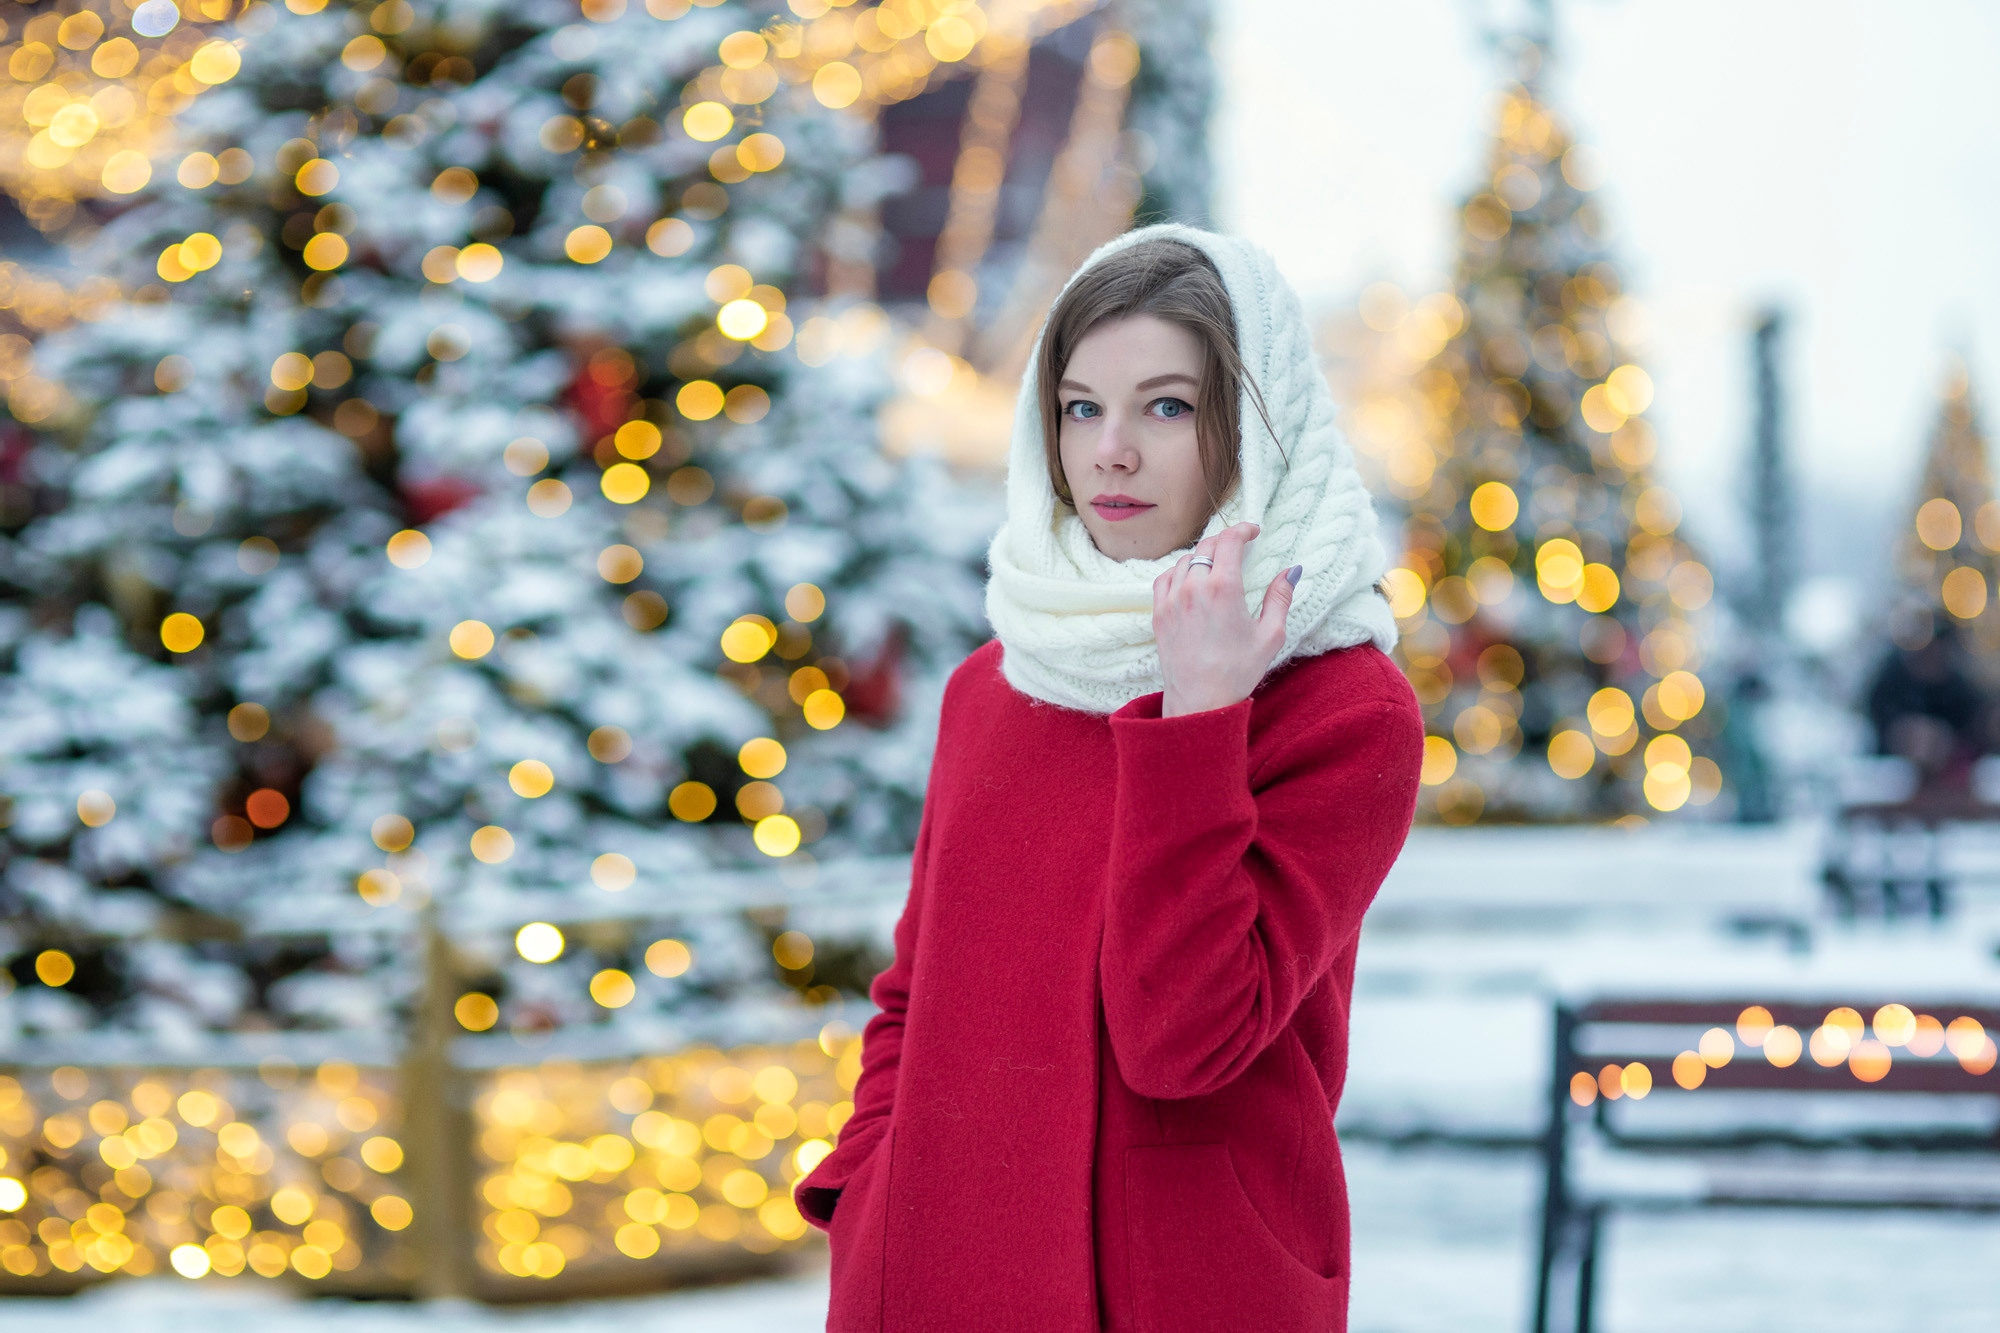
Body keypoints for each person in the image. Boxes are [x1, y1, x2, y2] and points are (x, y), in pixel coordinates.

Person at [791, 223, 1425, 1332]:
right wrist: (866, 1191)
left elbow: (1182, 1041)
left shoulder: (1343, 709)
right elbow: (913, 993)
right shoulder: (995, 681)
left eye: (1165, 407)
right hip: (934, 1275)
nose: (1110, 453)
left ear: (1254, 426)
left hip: (1175, 1290)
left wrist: (1202, 717)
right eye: (1079, 407)